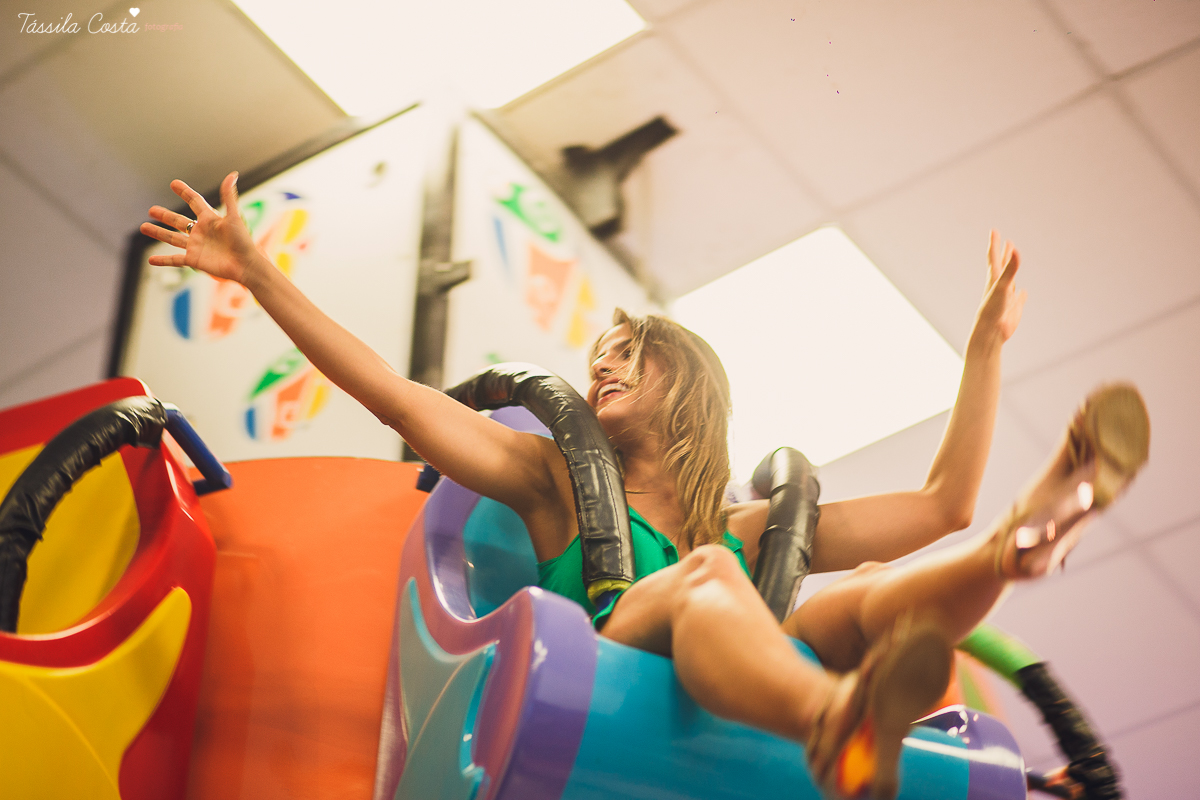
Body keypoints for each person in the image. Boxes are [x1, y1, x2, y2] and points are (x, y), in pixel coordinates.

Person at [141, 173, 1150, 799]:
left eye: (626, 351)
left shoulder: (755, 526)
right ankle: (834, 721)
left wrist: (983, 348)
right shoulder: (549, 482)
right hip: (610, 662)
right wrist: (260, 275)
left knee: (869, 592)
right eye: (598, 355)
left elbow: (942, 504)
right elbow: (403, 403)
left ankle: (1031, 536)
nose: (600, 368)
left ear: (689, 382)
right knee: (710, 575)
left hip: (737, 666)